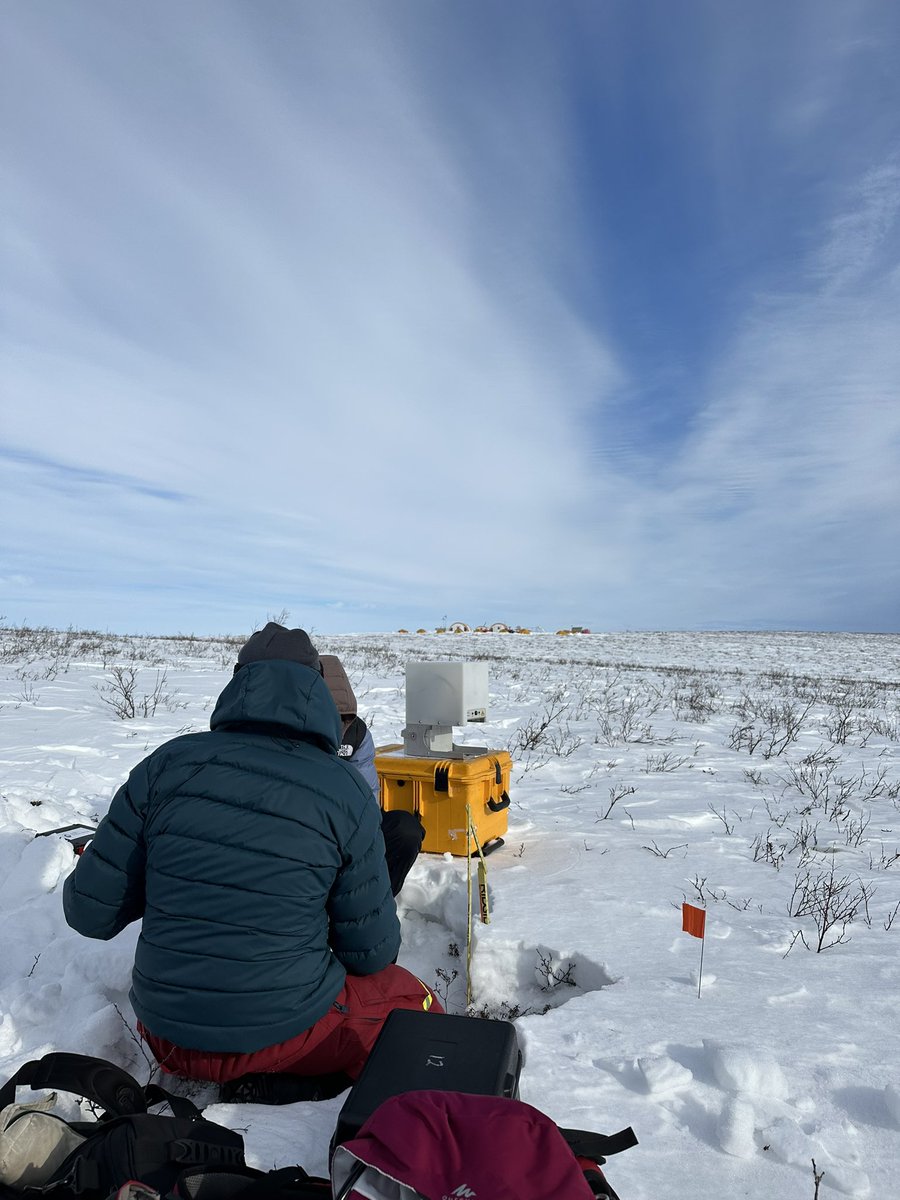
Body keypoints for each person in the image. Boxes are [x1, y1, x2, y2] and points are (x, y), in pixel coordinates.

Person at [63, 622, 442, 1095]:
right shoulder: (343, 788)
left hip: (166, 1035)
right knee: (417, 1003)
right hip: (282, 1035)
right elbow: (372, 953)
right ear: (316, 688)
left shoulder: (165, 764)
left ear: (239, 682)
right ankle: (290, 1087)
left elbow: (88, 912)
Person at [319, 653, 425, 897]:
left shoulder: (356, 734)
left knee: (405, 830)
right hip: (304, 833)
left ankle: (377, 899)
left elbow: (367, 798)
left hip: (346, 826)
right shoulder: (283, 733)